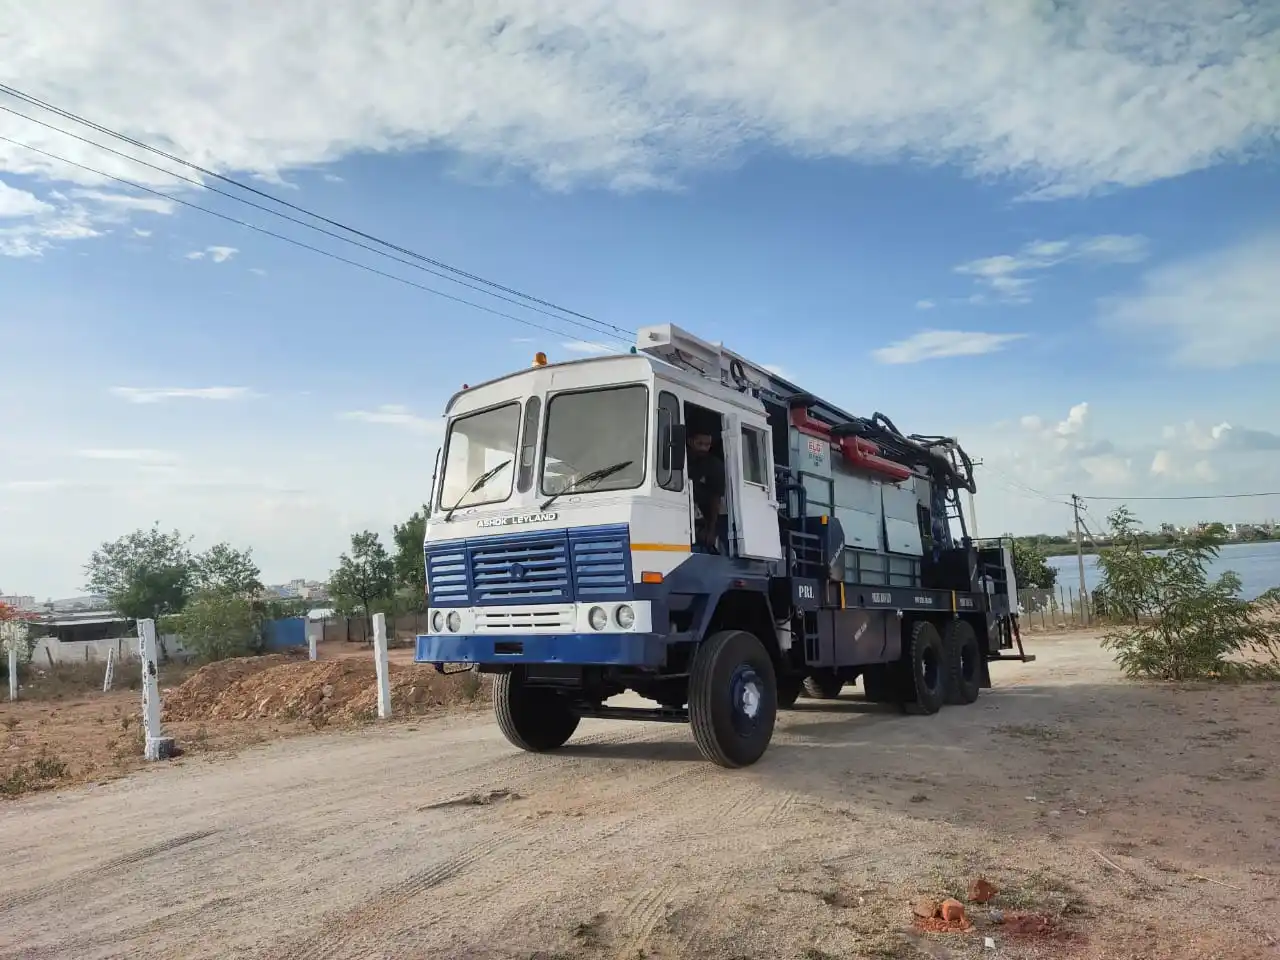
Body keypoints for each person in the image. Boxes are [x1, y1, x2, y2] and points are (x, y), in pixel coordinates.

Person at [687, 429, 724, 552]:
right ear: (690, 441)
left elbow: (715, 498)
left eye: (707, 445)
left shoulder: (714, 465)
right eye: (700, 443)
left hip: (702, 518)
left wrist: (711, 530)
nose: (703, 448)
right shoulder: (676, 457)